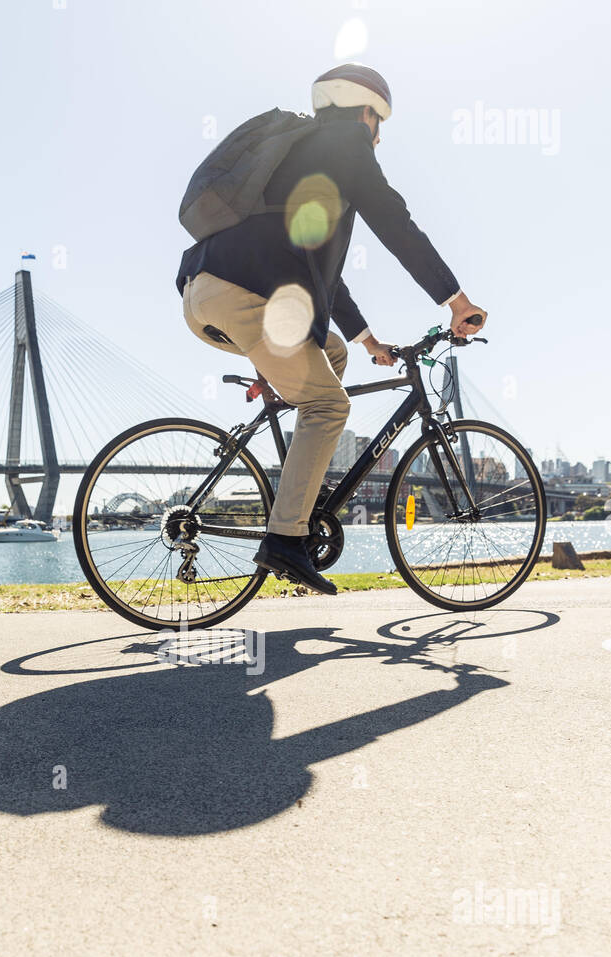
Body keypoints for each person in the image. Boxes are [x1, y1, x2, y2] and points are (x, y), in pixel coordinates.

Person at [177, 63, 487, 594]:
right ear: (364, 111)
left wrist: (370, 342)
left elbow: (324, 281)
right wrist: (455, 299)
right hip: (251, 296)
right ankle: (284, 538)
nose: (379, 135)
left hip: (205, 293)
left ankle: (296, 496)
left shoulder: (301, 157)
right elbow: (395, 222)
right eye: (379, 122)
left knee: (334, 355)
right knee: (330, 406)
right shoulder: (345, 142)